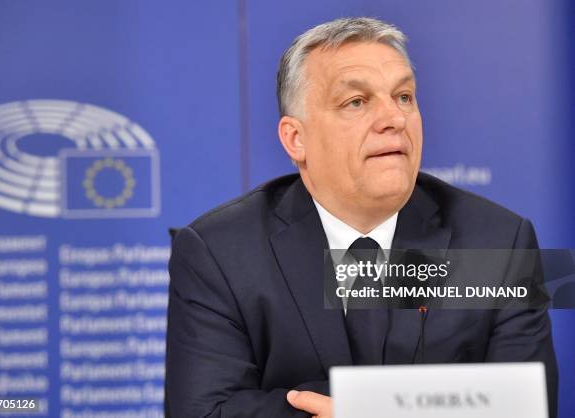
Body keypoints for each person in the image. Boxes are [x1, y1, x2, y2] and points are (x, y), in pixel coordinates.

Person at [165, 17, 557, 418]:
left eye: (404, 97)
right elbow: (202, 410)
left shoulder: (497, 242)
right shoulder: (220, 253)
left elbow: (526, 406)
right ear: (295, 139)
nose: (395, 119)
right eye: (357, 102)